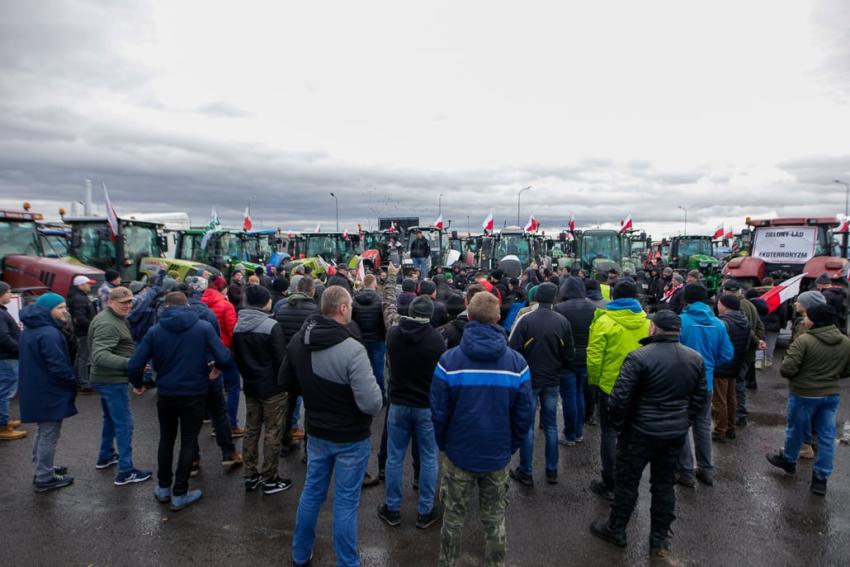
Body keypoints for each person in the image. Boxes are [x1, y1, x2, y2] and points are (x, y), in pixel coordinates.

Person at [279, 286, 383, 567]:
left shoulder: (300, 341)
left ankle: (300, 554)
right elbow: (372, 404)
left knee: (312, 492)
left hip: (317, 431)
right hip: (351, 436)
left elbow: (285, 382)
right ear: (343, 309)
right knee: (346, 502)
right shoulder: (352, 349)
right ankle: (347, 563)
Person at [590, 311, 707, 558]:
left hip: (639, 432)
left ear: (653, 329)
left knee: (627, 482)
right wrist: (683, 421)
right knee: (664, 485)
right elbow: (699, 398)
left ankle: (617, 528)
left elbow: (619, 399)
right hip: (673, 433)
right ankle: (659, 538)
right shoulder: (694, 358)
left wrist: (621, 425)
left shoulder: (639, 357)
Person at [431, 291, 534, 567]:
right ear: (498, 317)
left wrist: (445, 445)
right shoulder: (517, 365)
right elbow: (524, 415)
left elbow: (439, 412)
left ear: (469, 313)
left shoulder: (449, 361)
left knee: (452, 519)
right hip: (497, 455)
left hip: (458, 453)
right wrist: (509, 445)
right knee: (495, 520)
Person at [129, 291, 233, 511]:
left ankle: (164, 487)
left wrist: (138, 383)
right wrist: (216, 368)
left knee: (166, 440)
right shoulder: (202, 327)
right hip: (194, 393)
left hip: (166, 393)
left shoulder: (155, 331)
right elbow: (224, 356)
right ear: (187, 305)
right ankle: (180, 492)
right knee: (188, 440)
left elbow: (135, 364)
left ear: (166, 307)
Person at [376, 292, 446, 529]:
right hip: (425, 406)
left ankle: (392, 508)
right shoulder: (436, 340)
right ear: (430, 315)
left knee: (394, 456)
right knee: (428, 457)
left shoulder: (394, 335)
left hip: (398, 404)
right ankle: (425, 511)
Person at [767, 304, 850, 496]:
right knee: (827, 437)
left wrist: (801, 378)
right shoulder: (845, 342)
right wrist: (832, 376)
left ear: (814, 320)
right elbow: (847, 369)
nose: (803, 320)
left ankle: (789, 460)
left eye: (806, 317)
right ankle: (820, 479)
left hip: (804, 393)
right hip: (830, 395)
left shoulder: (804, 341)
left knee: (796, 429)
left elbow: (787, 369)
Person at [586, 279, 651, 500]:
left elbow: (594, 357)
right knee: (631, 434)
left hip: (609, 387)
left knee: (609, 434)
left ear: (613, 296)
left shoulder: (604, 321)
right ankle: (628, 480)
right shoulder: (646, 322)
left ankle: (610, 481)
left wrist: (594, 383)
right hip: (638, 387)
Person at [508, 282, 574, 485]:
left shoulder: (526, 319)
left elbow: (513, 349)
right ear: (554, 298)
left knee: (527, 427)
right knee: (551, 425)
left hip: (530, 379)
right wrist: (558, 369)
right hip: (552, 379)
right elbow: (569, 353)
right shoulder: (563, 321)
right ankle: (552, 470)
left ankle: (526, 471)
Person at [88, 286, 152, 485]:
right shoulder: (108, 323)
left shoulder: (112, 318)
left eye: (130, 302)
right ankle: (125, 470)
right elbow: (99, 356)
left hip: (107, 379)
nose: (128, 306)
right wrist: (131, 364)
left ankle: (106, 456)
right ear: (110, 302)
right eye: (123, 303)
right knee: (124, 424)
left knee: (110, 420)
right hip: (111, 381)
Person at [232, 285, 292, 495]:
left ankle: (250, 474)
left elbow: (236, 357)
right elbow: (281, 359)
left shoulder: (238, 326)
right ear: (266, 302)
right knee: (273, 431)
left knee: (251, 429)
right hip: (273, 387)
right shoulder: (271, 326)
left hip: (250, 385)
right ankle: (270, 476)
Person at [179, 279, 242, 476]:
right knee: (219, 412)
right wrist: (220, 363)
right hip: (209, 370)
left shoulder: (167, 315)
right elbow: (217, 344)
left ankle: (193, 460)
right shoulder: (207, 313)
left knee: (188, 421)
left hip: (183, 374)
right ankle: (228, 453)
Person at [675, 283, 733, 488]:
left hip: (682, 383)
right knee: (702, 426)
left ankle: (685, 471)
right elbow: (727, 354)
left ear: (686, 300)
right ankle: (706, 470)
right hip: (705, 383)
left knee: (681, 425)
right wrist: (709, 366)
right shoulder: (718, 324)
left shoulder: (681, 322)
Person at [18, 293, 77, 492]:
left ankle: (43, 467)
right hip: (49, 391)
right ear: (47, 310)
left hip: (37, 388)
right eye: (60, 307)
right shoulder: (49, 333)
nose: (65, 311)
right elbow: (58, 367)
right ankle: (44, 477)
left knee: (43, 431)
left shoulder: (32, 329)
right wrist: (71, 381)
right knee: (49, 434)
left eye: (65, 307)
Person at [273, 276, 320, 445]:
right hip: (309, 365)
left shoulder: (282, 307)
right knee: (311, 407)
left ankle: (286, 441)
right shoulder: (315, 311)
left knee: (288, 405)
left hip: (288, 363)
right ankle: (309, 446)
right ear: (312, 290)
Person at [554, 276, 597, 445]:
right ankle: (578, 431)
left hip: (567, 358)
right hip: (586, 356)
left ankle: (570, 433)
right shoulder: (592, 307)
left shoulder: (559, 308)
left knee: (569, 396)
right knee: (579, 393)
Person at [202, 276, 244, 437]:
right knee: (233, 387)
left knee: (212, 388)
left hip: (205, 352)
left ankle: (214, 422)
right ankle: (231, 424)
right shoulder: (226, 306)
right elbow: (233, 331)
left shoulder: (199, 303)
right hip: (224, 351)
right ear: (223, 288)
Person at [720, 280, 764, 425]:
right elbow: (759, 326)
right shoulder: (750, 304)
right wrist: (758, 342)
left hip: (738, 351)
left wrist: (755, 342)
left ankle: (738, 414)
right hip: (746, 351)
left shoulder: (735, 307)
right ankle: (738, 413)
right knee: (739, 383)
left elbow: (746, 328)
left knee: (735, 385)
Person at [712, 294, 752, 444]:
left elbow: (717, 344)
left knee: (719, 400)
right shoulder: (744, 321)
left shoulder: (723, 323)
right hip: (736, 364)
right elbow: (747, 345)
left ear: (725, 305)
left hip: (722, 365)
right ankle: (731, 427)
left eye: (719, 303)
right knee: (731, 397)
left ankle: (720, 430)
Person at [352, 274, 387, 394]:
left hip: (361, 340)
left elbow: (352, 321)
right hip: (378, 339)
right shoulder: (380, 300)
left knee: (363, 370)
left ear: (363, 284)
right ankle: (381, 394)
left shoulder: (355, 300)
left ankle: (365, 394)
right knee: (379, 370)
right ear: (375, 284)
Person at [0, 282, 25, 440]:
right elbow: (3, 337)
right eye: (8, 292)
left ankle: (4, 421)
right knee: (5, 392)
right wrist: (20, 348)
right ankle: (2, 427)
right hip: (7, 358)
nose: (10, 295)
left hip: (7, 357)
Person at [68, 274, 97, 394]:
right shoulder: (79, 298)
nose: (90, 286)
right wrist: (95, 326)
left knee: (81, 357)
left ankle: (79, 381)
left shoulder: (79, 297)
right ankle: (84, 384)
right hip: (84, 333)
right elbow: (80, 318)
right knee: (84, 358)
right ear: (80, 285)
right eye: (88, 284)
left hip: (83, 332)